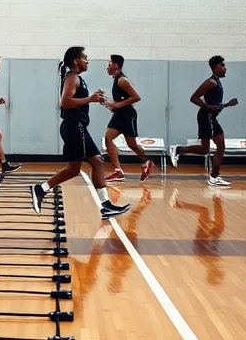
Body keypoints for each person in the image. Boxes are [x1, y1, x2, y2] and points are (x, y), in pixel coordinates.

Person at [29, 47, 130, 220]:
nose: (87, 61)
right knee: (97, 162)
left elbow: (74, 101)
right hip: (75, 127)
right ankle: (106, 206)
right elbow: (65, 102)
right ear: (76, 60)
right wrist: (90, 99)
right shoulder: (72, 77)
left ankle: (41, 189)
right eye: (85, 58)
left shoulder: (76, 78)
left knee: (75, 168)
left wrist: (95, 99)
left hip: (74, 127)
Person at [168, 56, 239, 187]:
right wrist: (208, 107)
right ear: (215, 67)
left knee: (205, 149)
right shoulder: (211, 82)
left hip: (208, 116)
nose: (225, 68)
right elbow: (193, 97)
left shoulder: (217, 82)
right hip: (207, 116)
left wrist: (226, 104)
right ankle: (214, 176)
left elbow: (214, 103)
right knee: (221, 145)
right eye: (222, 65)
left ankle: (179, 150)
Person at [103, 55, 154, 183]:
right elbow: (122, 100)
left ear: (116, 65)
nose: (107, 67)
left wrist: (117, 105)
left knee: (108, 138)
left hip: (125, 114)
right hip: (122, 113)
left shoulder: (122, 80)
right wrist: (111, 104)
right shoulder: (116, 80)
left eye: (109, 64)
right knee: (132, 145)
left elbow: (136, 97)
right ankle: (149, 162)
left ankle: (118, 172)